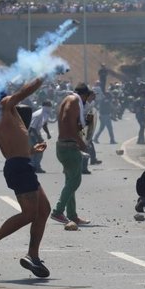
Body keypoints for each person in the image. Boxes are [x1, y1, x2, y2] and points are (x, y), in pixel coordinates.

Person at [0, 77, 51, 278]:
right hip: (19, 168)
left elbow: (11, 146)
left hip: (20, 164)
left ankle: (32, 255)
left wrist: (31, 151)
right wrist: (41, 75)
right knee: (29, 214)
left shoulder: (1, 114)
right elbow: (26, 91)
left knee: (43, 210)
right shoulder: (3, 105)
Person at [50, 83, 91, 225]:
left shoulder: (66, 100)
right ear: (84, 95)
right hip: (69, 146)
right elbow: (67, 120)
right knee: (75, 181)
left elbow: (69, 122)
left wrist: (84, 124)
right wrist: (80, 141)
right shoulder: (74, 101)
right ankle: (58, 211)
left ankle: (72, 215)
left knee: (70, 181)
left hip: (63, 145)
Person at [28, 101, 52, 173]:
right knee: (35, 150)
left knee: (39, 150)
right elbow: (32, 127)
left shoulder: (45, 113)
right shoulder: (39, 114)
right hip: (30, 134)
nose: (50, 108)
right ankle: (34, 167)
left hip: (36, 133)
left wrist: (48, 133)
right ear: (45, 106)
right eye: (49, 106)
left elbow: (44, 124)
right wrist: (37, 138)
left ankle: (36, 166)